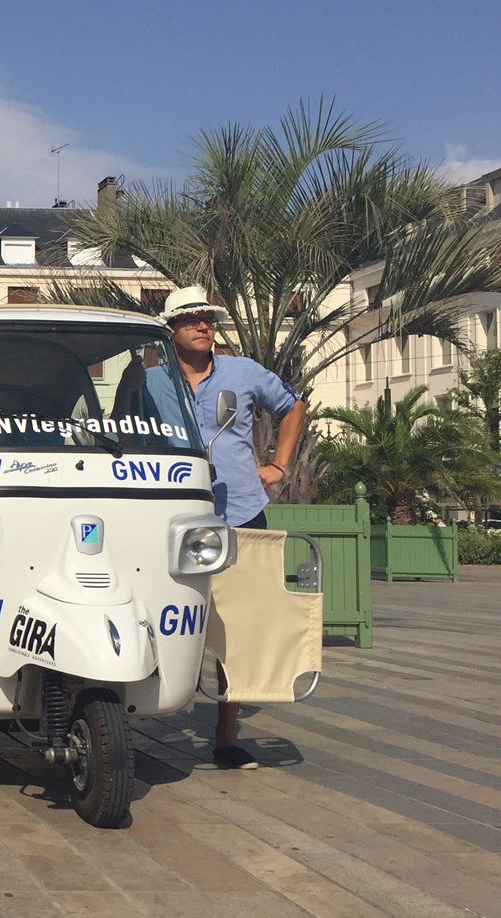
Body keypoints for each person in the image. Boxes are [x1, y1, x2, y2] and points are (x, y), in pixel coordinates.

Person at [126, 286, 308, 769]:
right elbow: (123, 429)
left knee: (240, 627)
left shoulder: (243, 372)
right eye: (190, 319)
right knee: (150, 615)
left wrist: (279, 466)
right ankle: (129, 720)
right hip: (166, 517)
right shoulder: (147, 380)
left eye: (207, 318)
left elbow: (293, 406)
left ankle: (226, 738)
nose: (202, 325)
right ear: (171, 330)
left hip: (240, 513)